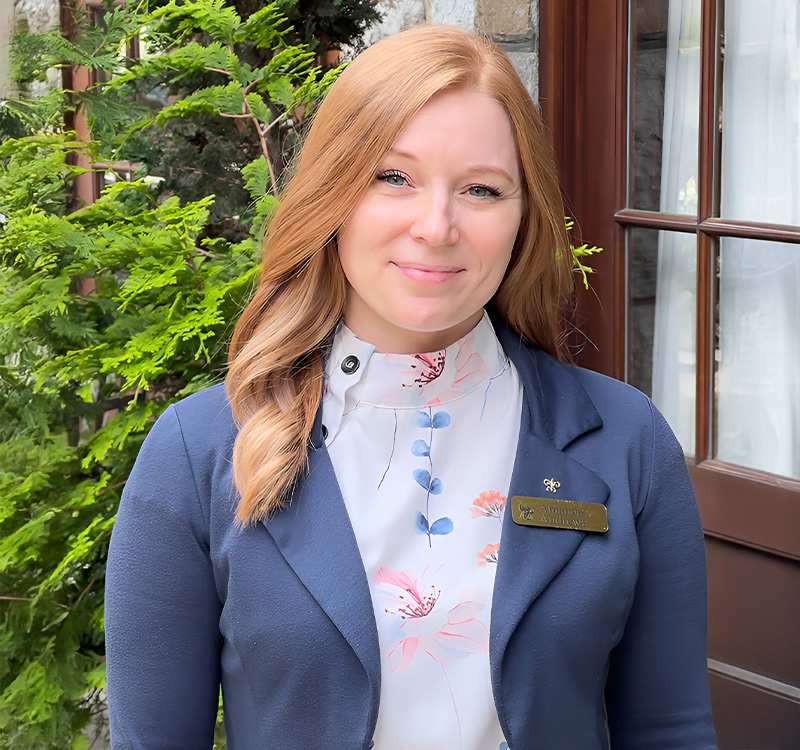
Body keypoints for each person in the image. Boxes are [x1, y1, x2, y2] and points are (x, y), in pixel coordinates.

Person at [105, 24, 717, 750]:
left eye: (482, 189)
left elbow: (669, 729)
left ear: (524, 218)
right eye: (392, 178)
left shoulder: (626, 442)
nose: (437, 226)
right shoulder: (197, 452)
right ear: (333, 195)